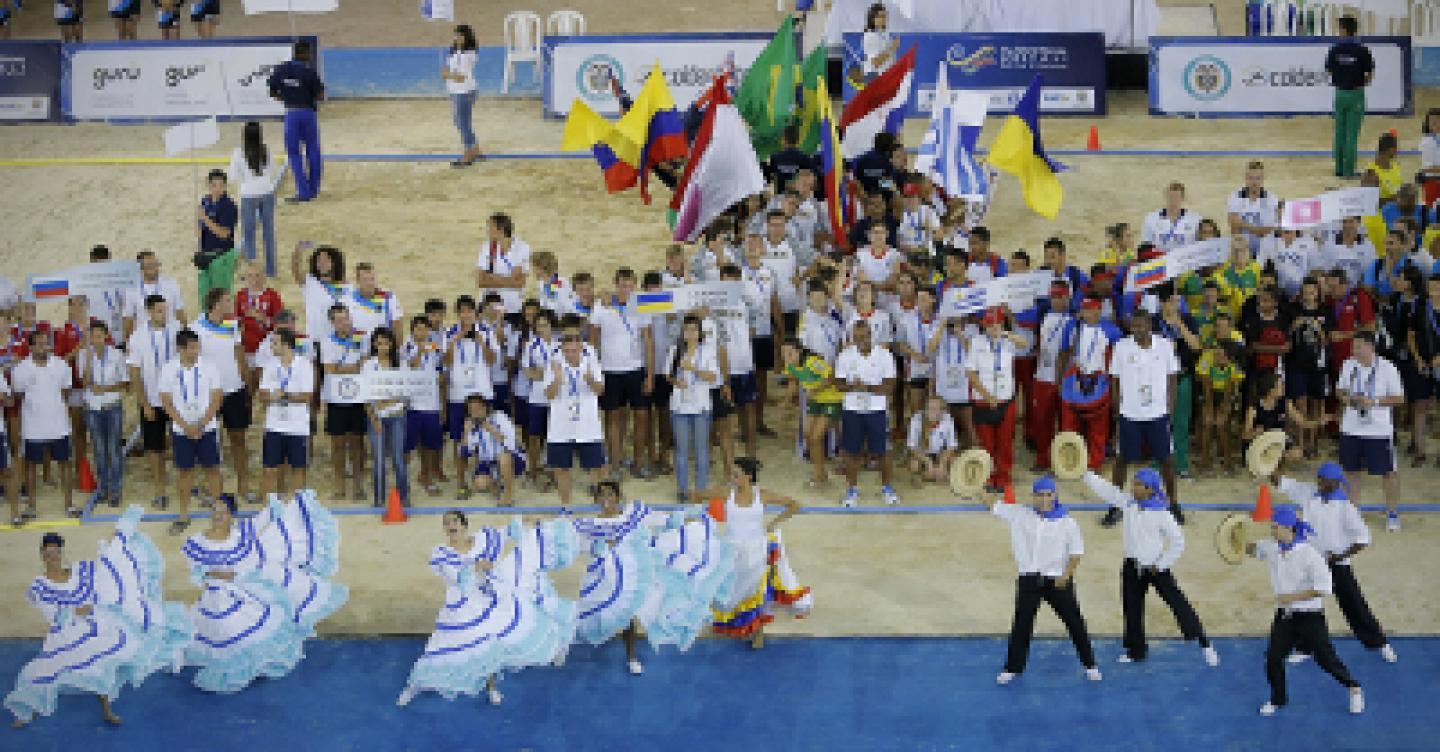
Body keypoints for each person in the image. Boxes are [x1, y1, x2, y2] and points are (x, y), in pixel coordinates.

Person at [5, 515, 191, 728]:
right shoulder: (40, 585)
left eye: (56, 552)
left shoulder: (80, 571)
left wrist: (118, 540)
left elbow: (108, 573)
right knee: (41, 671)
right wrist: (74, 611)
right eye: (48, 553)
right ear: (42, 556)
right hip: (64, 634)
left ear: (61, 552)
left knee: (102, 663)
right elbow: (51, 613)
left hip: (94, 626)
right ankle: (26, 711)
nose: (53, 557)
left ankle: (106, 710)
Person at [397, 511, 578, 707]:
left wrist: (530, 520)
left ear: (464, 525)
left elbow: (509, 531)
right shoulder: (441, 552)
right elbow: (454, 575)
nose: (451, 525)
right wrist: (476, 565)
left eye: (455, 521)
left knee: (489, 644)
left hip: (485, 601)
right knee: (439, 647)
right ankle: (412, 687)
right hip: (459, 607)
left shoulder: (483, 540)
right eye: (447, 523)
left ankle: (491, 688)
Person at [181, 492, 346, 692]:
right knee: (216, 633)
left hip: (236, 593)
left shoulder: (240, 534)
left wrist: (287, 499)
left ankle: (244, 666)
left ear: (231, 514)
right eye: (214, 510)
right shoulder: (198, 541)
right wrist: (213, 578)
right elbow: (198, 571)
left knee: (237, 629)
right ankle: (233, 662)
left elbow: (265, 516)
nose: (218, 514)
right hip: (213, 598)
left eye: (223, 511)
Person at [1084, 469, 1217, 666]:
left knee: (1178, 603)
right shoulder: (1128, 503)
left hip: (1156, 568)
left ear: (1149, 489)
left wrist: (1162, 564)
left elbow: (1178, 541)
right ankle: (1136, 651)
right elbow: (1107, 491)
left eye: (1138, 484)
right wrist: (1086, 475)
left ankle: (1204, 644)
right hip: (1132, 567)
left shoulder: (1162, 514)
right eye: (1133, 483)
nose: (1133, 487)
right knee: (1132, 609)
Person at [567, 481, 702, 674]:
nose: (606, 499)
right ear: (596, 499)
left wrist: (689, 516)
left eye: (610, 494)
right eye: (602, 495)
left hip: (626, 579)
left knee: (628, 617)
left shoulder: (631, 519)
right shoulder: (590, 525)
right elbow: (573, 544)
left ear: (618, 497)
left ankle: (631, 657)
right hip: (599, 578)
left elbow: (664, 522)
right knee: (585, 614)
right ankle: (564, 646)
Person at [1247, 505, 1365, 716]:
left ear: (1289, 528)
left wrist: (1291, 597)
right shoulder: (1272, 546)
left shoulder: (1310, 555)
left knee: (1326, 659)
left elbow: (1324, 588)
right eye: (1272, 527)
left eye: (1275, 528)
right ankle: (1278, 699)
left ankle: (1354, 688)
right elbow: (1252, 549)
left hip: (1310, 616)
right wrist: (1235, 534)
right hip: (1285, 616)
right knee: (1274, 658)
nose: (1272, 532)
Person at [1277, 463, 1399, 664]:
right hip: (1310, 561)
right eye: (1325, 481)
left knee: (1353, 604)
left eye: (1334, 483)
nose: (1330, 485)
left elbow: (1363, 539)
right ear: (1320, 480)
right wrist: (1265, 463)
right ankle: (1304, 647)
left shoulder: (1346, 508)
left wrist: (1340, 556)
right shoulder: (1309, 493)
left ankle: (1379, 643)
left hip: (1337, 564)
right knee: (1304, 605)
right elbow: (1280, 482)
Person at [988, 477, 1100, 685]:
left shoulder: (1067, 522)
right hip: (1029, 580)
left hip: (1057, 581)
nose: (1043, 499)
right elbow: (992, 505)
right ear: (1033, 496)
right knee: (1022, 625)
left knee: (1075, 622)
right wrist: (973, 485)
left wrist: (1065, 576)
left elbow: (1076, 552)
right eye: (1039, 495)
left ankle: (1090, 665)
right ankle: (1012, 668)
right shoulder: (1020, 514)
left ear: (1055, 496)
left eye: (1048, 495)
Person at [702, 457, 810, 650]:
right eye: (732, 474)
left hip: (756, 551)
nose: (732, 478)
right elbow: (696, 496)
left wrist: (774, 522)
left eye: (736, 475)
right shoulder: (727, 494)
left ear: (748, 476)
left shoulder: (763, 495)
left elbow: (794, 504)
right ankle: (732, 622)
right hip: (733, 551)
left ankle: (758, 631)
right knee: (733, 590)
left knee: (758, 591)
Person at [1107, 309, 1183, 524]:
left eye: (1140, 325)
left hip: (1158, 414)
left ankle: (1173, 504)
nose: (1136, 330)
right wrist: (1116, 408)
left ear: (1149, 324)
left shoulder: (1165, 345)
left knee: (1167, 460)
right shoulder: (1122, 347)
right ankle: (1115, 506)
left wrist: (1170, 407)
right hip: (1129, 413)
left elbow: (1173, 377)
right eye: (1134, 326)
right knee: (1122, 460)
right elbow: (1115, 380)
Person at [1334, 332, 1404, 532]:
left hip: (1379, 430)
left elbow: (1399, 398)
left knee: (1389, 474)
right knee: (1351, 472)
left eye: (1358, 347)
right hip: (1351, 428)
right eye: (1353, 347)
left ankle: (1392, 513)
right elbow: (1339, 390)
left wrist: (1373, 402)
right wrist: (1347, 399)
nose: (1354, 351)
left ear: (1370, 347)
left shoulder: (1388, 368)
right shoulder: (1348, 365)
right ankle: (1353, 514)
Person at [591, 268, 655, 479]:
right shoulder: (602, 305)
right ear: (615, 284)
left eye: (629, 285)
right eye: (622, 285)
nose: (626, 289)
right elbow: (593, 340)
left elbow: (648, 341)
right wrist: (594, 371)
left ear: (634, 286)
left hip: (635, 369)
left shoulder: (640, 305)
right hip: (610, 371)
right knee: (613, 418)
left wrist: (650, 374)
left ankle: (638, 463)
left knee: (641, 417)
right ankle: (615, 465)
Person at [159, 329, 223, 535]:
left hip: (207, 428)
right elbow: (167, 403)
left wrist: (201, 425)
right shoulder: (168, 370)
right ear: (180, 348)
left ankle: (218, 511)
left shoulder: (210, 367)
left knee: (213, 469)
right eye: (192, 347)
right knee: (185, 472)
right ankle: (183, 514)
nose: (196, 350)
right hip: (181, 430)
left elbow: (216, 399)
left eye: (197, 346)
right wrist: (186, 427)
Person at [195, 288, 253, 504]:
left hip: (234, 390)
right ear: (216, 304)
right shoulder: (197, 327)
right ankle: (213, 492)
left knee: (239, 440)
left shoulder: (232, 325)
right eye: (228, 300)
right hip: (209, 393)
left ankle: (244, 488)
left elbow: (239, 355)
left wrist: (247, 385)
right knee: (210, 443)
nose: (231, 303)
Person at [542, 317, 606, 508]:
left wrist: (589, 380)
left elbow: (600, 391)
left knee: (598, 467)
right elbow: (549, 395)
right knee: (562, 469)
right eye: (567, 351)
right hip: (561, 426)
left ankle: (602, 504)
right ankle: (566, 507)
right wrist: (558, 379)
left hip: (587, 425)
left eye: (574, 350)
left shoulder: (591, 362)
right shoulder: (554, 365)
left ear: (580, 347)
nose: (571, 354)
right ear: (562, 349)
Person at [11, 330, 75, 518]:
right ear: (30, 347)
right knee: (31, 465)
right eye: (38, 344)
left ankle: (69, 505)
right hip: (33, 427)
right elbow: (19, 394)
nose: (43, 347)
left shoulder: (61, 365)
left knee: (65, 463)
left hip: (58, 424)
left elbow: (66, 391)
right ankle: (31, 506)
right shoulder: (21, 369)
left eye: (46, 343)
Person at [836, 320, 898, 507]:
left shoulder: (884, 355)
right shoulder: (845, 356)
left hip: (876, 410)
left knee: (883, 452)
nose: (860, 340)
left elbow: (890, 386)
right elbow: (838, 384)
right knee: (851, 452)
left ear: (871, 336)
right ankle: (852, 490)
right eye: (856, 337)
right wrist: (852, 386)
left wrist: (868, 387)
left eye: (863, 337)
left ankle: (887, 488)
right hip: (852, 410)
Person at [127, 295, 178, 511]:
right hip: (153, 400)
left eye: (165, 309)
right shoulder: (138, 337)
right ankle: (159, 490)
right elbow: (134, 373)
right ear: (148, 311)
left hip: (176, 400)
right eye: (158, 310)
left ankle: (186, 484)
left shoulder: (176, 329)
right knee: (154, 447)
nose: (163, 314)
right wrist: (144, 403)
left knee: (182, 442)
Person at [967, 307, 1023, 492]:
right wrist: (986, 395)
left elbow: (1024, 344)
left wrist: (1006, 334)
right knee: (987, 443)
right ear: (983, 324)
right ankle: (989, 476)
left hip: (1005, 400)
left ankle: (1004, 476)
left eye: (996, 324)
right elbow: (971, 373)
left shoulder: (1008, 341)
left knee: (1005, 442)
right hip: (984, 401)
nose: (993, 328)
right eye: (989, 325)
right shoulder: (976, 342)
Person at [666, 314, 718, 503]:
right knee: (681, 450)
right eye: (687, 329)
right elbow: (668, 375)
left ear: (700, 332)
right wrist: (675, 381)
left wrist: (693, 369)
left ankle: (701, 489)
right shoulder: (675, 349)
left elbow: (713, 377)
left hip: (701, 406)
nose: (690, 333)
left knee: (701, 450)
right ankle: (683, 489)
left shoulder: (708, 350)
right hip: (680, 406)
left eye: (694, 329)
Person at [319, 305, 369, 501]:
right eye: (338, 320)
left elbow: (364, 365)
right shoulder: (327, 341)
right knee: (337, 444)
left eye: (346, 318)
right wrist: (353, 367)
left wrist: (345, 368)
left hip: (357, 397)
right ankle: (338, 485)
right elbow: (330, 368)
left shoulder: (361, 337)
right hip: (336, 398)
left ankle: (358, 486)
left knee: (358, 443)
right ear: (332, 323)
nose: (343, 323)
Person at [268, 40, 326, 204]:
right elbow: (321, 95)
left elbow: (272, 92)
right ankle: (314, 189)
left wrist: (286, 98)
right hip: (308, 113)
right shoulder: (309, 72)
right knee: (313, 151)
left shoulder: (281, 69)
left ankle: (303, 192)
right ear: (305, 53)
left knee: (294, 154)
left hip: (291, 114)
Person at [258, 329, 314, 500]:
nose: (271, 346)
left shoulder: (304, 365)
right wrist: (270, 396)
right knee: (270, 469)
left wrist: (285, 395)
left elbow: (307, 396)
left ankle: (295, 506)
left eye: (274, 342)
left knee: (298, 469)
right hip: (274, 425)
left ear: (286, 345)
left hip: (297, 427)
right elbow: (262, 394)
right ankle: (269, 508)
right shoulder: (270, 365)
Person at [77, 321, 127, 508]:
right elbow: (84, 381)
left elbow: (125, 383)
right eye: (93, 336)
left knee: (114, 449)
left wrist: (105, 388)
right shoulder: (84, 354)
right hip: (93, 408)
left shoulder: (116, 354)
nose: (96, 340)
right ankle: (103, 488)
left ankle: (116, 489)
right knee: (98, 449)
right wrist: (89, 358)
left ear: (106, 336)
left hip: (112, 406)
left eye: (99, 336)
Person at [228, 122, 284, 278]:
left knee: (249, 233)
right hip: (267, 192)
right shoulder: (266, 150)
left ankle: (252, 271)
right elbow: (273, 170)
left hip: (248, 194)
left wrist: (246, 178)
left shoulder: (238, 153)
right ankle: (271, 270)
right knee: (268, 232)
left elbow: (232, 176)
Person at [1325, 15, 1374, 179]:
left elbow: (1329, 71)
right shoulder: (1362, 50)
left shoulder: (1335, 50)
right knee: (1352, 134)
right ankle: (1348, 171)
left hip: (1340, 93)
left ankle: (1338, 168)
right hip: (1356, 93)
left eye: (1339, 28)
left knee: (1339, 131)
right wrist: (1360, 81)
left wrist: (1342, 77)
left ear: (1345, 30)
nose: (1338, 32)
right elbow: (1369, 74)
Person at [456, 394, 523, 507]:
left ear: (485, 407)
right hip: (489, 462)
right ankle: (497, 486)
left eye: (478, 408)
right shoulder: (472, 425)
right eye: (471, 410)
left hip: (511, 459)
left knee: (503, 456)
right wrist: (466, 434)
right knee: (480, 484)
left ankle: (507, 496)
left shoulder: (500, 417)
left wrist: (492, 429)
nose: (476, 412)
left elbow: (512, 444)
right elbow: (464, 452)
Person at [234, 262, 283, 392]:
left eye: (257, 275)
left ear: (264, 277)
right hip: (248, 345)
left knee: (265, 382)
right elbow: (235, 319)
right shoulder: (240, 296)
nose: (253, 280)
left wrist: (265, 319)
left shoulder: (272, 295)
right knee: (249, 383)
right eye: (250, 276)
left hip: (267, 346)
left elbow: (281, 322)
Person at [195, 169, 238, 302]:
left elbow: (224, 233)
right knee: (205, 295)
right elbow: (200, 227)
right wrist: (199, 227)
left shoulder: (229, 206)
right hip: (206, 255)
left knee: (221, 296)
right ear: (209, 185)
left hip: (222, 256)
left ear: (225, 186)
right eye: (214, 185)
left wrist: (205, 219)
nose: (217, 189)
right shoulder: (205, 202)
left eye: (221, 185)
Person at [124, 250, 187, 342]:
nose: (155, 268)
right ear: (140, 269)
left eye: (156, 264)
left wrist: (185, 334)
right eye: (150, 266)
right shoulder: (132, 289)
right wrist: (127, 341)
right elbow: (128, 318)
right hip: (145, 339)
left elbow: (179, 312)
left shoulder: (171, 284)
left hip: (170, 337)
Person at [443, 25, 482, 167]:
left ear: (467, 37)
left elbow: (460, 77)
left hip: (464, 91)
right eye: (455, 35)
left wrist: (448, 74)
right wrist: (449, 74)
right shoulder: (453, 52)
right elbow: (445, 72)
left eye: (460, 36)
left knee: (462, 123)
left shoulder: (469, 54)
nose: (457, 38)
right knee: (460, 122)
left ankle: (468, 154)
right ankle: (475, 149)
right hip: (456, 91)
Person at [476, 213, 529, 317]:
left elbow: (520, 282)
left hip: (512, 308)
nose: (488, 231)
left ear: (500, 230)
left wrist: (492, 278)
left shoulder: (522, 248)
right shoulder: (487, 247)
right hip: (488, 308)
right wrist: (510, 279)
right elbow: (481, 281)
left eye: (490, 227)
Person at [1140, 182, 1201, 252]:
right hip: (1159, 261)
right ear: (1165, 197)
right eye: (1171, 197)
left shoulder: (1195, 219)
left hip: (1185, 261)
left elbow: (1201, 245)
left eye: (1177, 198)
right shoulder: (1151, 219)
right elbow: (1145, 245)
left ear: (1183, 198)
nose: (1173, 201)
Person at [860, 2, 898, 80]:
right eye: (881, 16)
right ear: (873, 18)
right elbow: (876, 62)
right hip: (876, 77)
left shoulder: (881, 35)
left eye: (885, 16)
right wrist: (893, 48)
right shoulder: (871, 36)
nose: (884, 19)